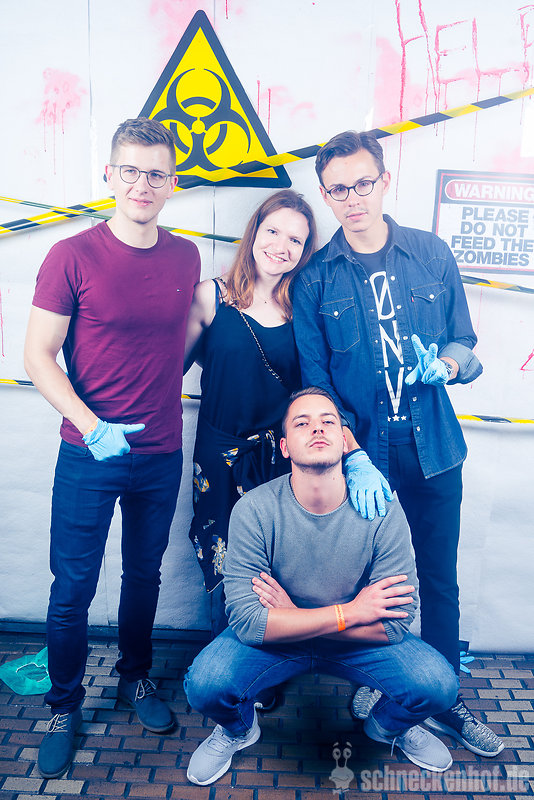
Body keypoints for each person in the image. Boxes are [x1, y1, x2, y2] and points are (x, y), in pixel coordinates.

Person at [291, 130, 503, 757]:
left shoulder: (431, 253)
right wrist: (352, 457)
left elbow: (465, 342)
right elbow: (317, 387)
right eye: (338, 190)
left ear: (385, 180)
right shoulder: (314, 280)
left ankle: (444, 698)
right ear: (325, 195)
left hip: (435, 451)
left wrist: (448, 365)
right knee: (376, 583)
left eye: (364, 183)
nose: (353, 198)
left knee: (438, 580)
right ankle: (388, 691)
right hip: (366, 461)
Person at [24, 117, 201, 779]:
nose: (142, 184)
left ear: (172, 182)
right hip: (87, 453)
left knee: (144, 575)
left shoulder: (186, 257)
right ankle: (64, 706)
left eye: (156, 173)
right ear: (109, 174)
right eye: (130, 170)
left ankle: (134, 677)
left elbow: (177, 342)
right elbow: (38, 356)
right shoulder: (70, 256)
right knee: (72, 588)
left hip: (159, 452)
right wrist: (91, 425)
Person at [183, 388, 458, 786]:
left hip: (339, 640)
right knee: (205, 684)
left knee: (438, 685)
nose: (317, 428)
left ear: (345, 440)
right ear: (285, 447)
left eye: (329, 421)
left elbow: (396, 624)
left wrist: (292, 616)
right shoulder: (254, 510)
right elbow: (247, 622)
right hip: (298, 640)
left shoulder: (381, 508)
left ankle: (387, 726)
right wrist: (350, 613)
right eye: (302, 423)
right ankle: (238, 730)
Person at [183, 190, 390, 636]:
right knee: (222, 562)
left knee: (280, 564)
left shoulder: (305, 307)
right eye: (273, 231)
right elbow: (169, 370)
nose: (281, 246)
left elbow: (325, 388)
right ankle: (226, 656)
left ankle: (278, 651)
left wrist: (352, 451)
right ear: (254, 231)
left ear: (305, 250)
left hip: (284, 459)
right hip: (220, 456)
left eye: (295, 240)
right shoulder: (210, 297)